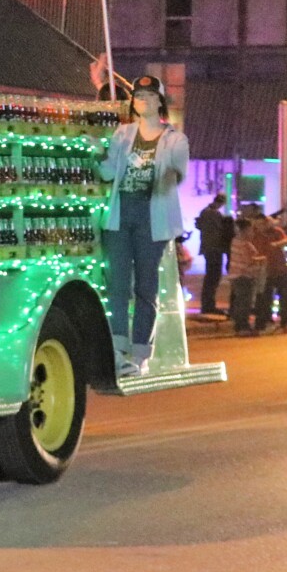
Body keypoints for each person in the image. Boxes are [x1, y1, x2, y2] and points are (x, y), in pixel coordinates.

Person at [95, 73, 191, 377]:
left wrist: (156, 170)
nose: (142, 101)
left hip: (153, 217)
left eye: (149, 96)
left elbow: (176, 175)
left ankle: (140, 353)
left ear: (159, 102)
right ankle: (117, 348)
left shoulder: (175, 139)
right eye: (138, 96)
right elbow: (109, 172)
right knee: (118, 284)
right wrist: (96, 152)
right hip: (121, 214)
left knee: (146, 287)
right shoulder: (122, 134)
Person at [252, 210, 287, 332]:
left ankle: (286, 322)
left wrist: (276, 244)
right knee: (265, 298)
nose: (260, 226)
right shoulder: (255, 235)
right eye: (257, 224)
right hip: (265, 271)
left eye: (262, 223)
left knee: (285, 297)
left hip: (281, 269)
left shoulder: (276, 231)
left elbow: (286, 240)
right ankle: (265, 322)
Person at [194, 192, 234, 316]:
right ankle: (208, 305)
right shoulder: (214, 214)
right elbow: (220, 230)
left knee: (211, 277)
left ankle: (208, 305)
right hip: (214, 248)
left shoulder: (205, 212)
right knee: (213, 277)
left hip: (209, 248)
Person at [227, 206, 265, 335]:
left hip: (235, 276)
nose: (252, 232)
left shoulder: (235, 241)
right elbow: (249, 261)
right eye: (251, 230)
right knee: (245, 303)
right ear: (245, 230)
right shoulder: (245, 244)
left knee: (240, 302)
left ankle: (239, 326)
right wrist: (261, 259)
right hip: (244, 276)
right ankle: (243, 327)